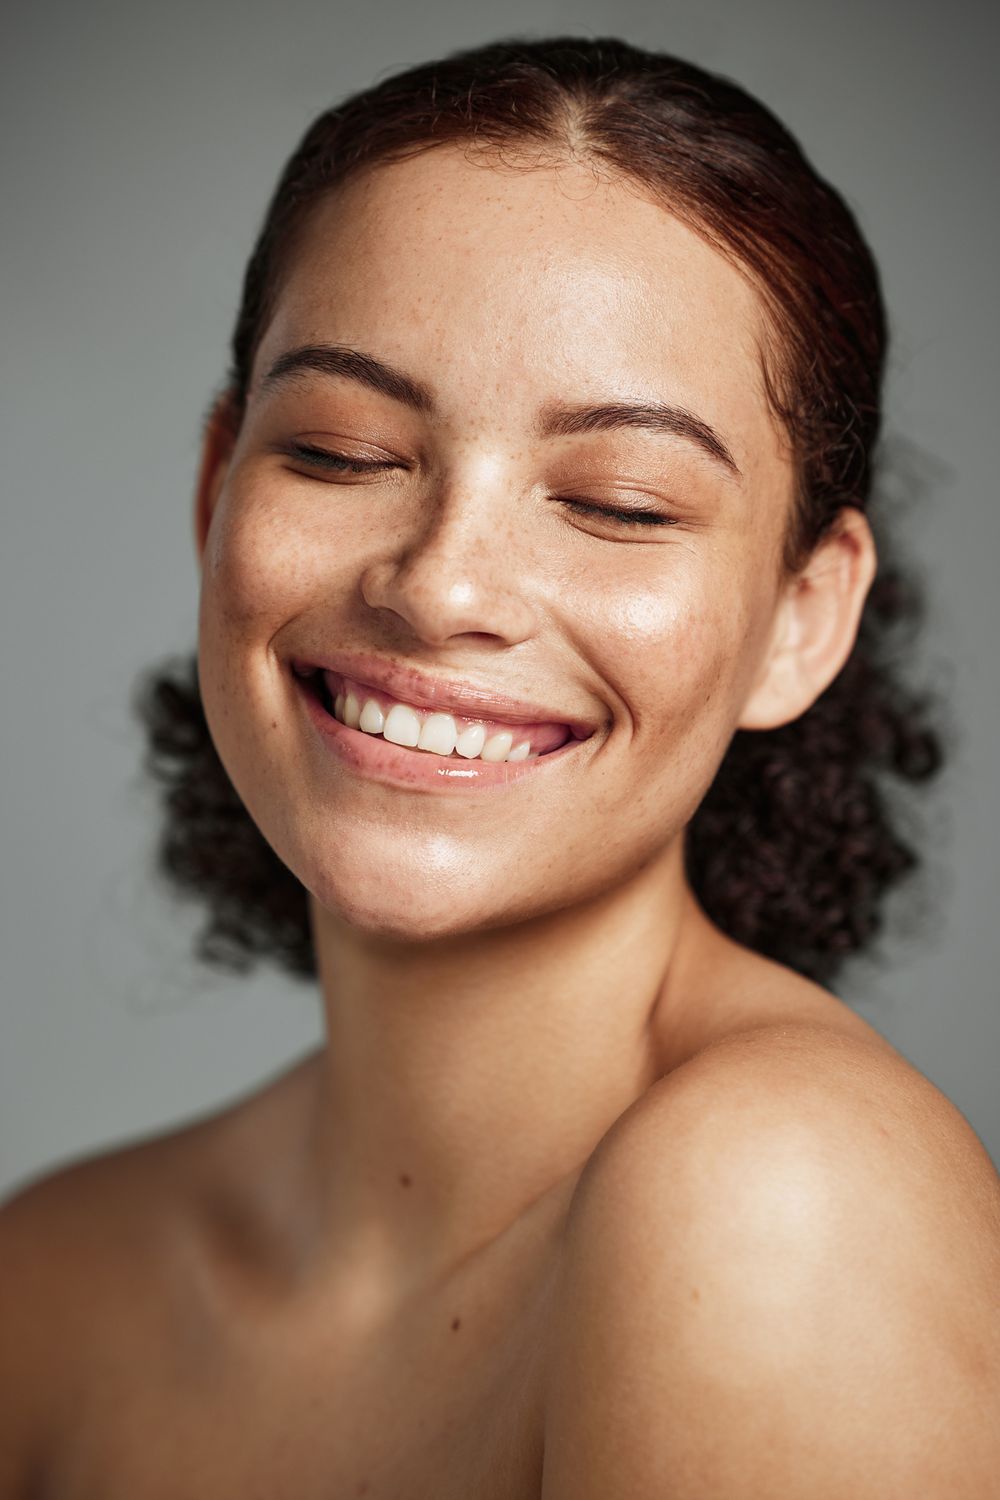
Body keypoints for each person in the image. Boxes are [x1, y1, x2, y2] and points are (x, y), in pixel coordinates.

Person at [2, 34, 998, 1499]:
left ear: (803, 618)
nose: (440, 584)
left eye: (616, 501)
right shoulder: (52, 1280)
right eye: (341, 452)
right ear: (219, 493)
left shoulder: (782, 1209)